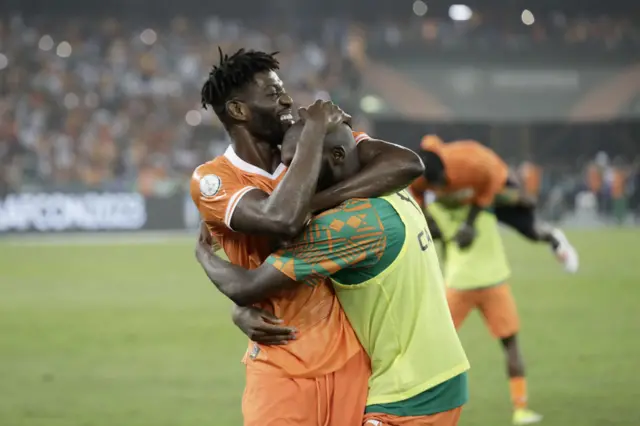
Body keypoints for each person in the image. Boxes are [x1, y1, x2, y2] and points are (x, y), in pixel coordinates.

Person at [192, 48, 424, 426]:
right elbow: (281, 218)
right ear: (238, 111)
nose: (287, 99)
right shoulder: (214, 179)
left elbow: (406, 163)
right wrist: (316, 128)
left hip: (350, 356)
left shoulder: (306, 146)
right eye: (272, 93)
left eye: (283, 89)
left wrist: (315, 202)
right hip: (279, 363)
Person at [196, 120, 470, 426]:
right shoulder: (393, 190)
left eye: (302, 162)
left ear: (337, 156)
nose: (292, 176)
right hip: (437, 373)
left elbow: (249, 286)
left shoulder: (346, 225)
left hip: (408, 391)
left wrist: (203, 255)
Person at [427, 201, 543, 426]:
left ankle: (426, 404)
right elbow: (523, 200)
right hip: (494, 282)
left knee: (432, 344)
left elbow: (431, 236)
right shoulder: (487, 202)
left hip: (459, 284)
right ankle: (520, 410)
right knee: (511, 346)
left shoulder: (440, 208)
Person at [409, 135, 579, 273]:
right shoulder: (419, 177)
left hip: (495, 188)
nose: (442, 185)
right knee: (432, 233)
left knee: (531, 230)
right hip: (462, 200)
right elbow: (417, 201)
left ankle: (554, 238)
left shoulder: (472, 163)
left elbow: (488, 189)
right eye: (436, 185)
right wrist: (426, 221)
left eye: (443, 181)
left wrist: (469, 224)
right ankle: (446, 276)